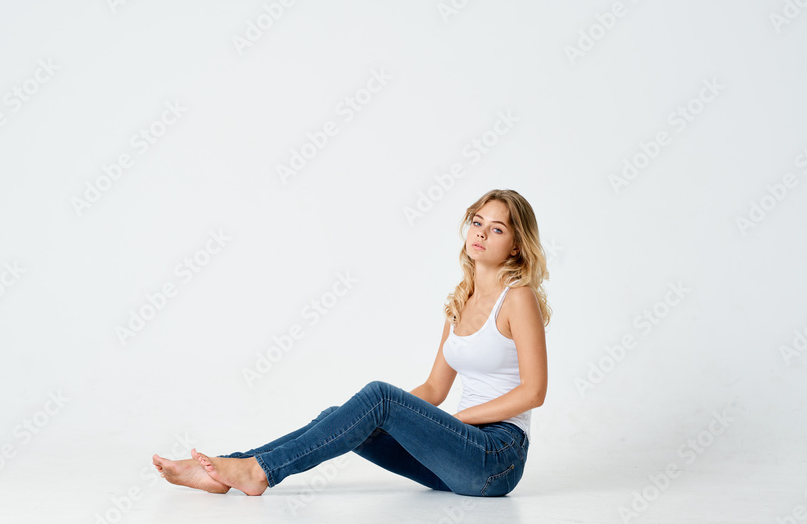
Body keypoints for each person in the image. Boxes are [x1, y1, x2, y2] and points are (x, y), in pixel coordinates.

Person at [152, 189, 551, 497]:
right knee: (340, 414)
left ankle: (258, 473)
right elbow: (434, 389)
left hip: (496, 457)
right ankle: (227, 469)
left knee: (379, 396)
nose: (481, 233)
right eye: (477, 222)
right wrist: (393, 419)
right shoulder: (459, 301)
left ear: (516, 245)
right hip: (454, 459)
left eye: (496, 228)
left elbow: (534, 392)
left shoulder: (518, 298)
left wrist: (454, 421)